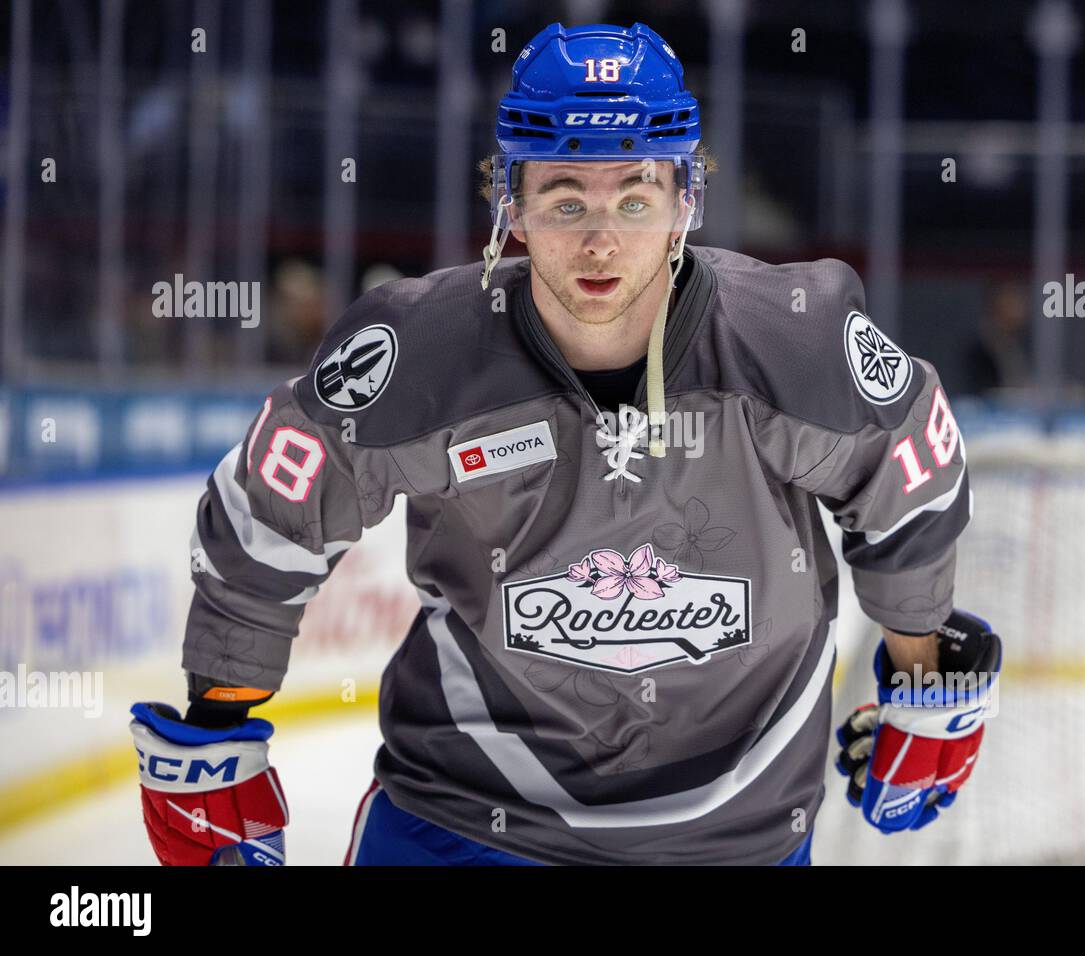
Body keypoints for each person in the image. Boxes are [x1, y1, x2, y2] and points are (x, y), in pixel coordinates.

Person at [128, 22, 997, 867]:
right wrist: (215, 724)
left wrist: (920, 669)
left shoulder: (793, 344)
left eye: (634, 197)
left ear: (685, 200)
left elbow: (910, 471)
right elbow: (270, 515)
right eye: (565, 198)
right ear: (509, 203)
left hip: (737, 840)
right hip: (465, 822)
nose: (600, 240)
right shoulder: (420, 355)